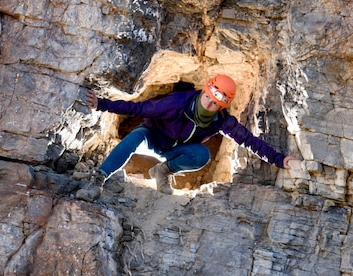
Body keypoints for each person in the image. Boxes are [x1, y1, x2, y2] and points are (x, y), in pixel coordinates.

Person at [76, 75, 295, 200]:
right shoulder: (177, 103)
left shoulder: (221, 121)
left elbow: (249, 140)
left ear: (223, 105)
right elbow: (138, 108)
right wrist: (102, 104)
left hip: (173, 152)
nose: (210, 103)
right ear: (205, 91)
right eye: (209, 97)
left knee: (201, 154)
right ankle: (98, 179)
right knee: (136, 136)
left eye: (217, 102)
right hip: (152, 139)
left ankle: (162, 171)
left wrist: (279, 160)